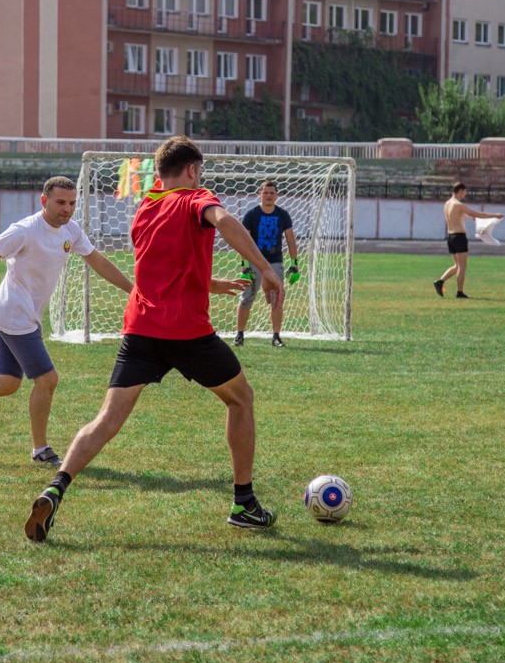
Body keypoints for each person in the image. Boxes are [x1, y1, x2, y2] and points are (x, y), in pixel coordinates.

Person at [23, 136, 285, 543]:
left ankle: (55, 488)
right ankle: (244, 504)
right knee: (241, 398)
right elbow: (225, 221)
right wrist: (266, 268)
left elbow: (165, 267)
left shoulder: (146, 207)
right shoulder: (196, 198)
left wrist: (210, 283)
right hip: (187, 332)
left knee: (106, 420)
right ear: (192, 171)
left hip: (141, 330)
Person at [0, 176, 134, 465]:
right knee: (47, 379)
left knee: (7, 383)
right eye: (60, 202)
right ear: (44, 201)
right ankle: (40, 450)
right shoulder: (25, 231)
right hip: (14, 313)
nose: (67, 209)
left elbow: (99, 262)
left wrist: (134, 291)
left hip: (23, 313)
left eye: (72, 203)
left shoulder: (71, 230)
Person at [233, 180, 300, 348]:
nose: (269, 196)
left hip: (275, 262)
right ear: (259, 194)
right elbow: (243, 241)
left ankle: (276, 337)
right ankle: (239, 335)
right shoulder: (251, 214)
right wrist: (245, 265)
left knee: (278, 298)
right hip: (254, 262)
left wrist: (294, 263)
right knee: (247, 297)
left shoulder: (283, 215)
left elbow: (291, 240)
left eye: (272, 193)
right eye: (266, 192)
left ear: (276, 195)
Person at [434, 182, 502, 299]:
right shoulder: (459, 205)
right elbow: (477, 213)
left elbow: (462, 216)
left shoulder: (447, 204)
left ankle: (440, 282)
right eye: (464, 192)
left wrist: (473, 218)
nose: (464, 195)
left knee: (457, 266)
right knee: (462, 266)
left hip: (450, 237)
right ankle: (460, 292)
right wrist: (495, 215)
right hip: (459, 237)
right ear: (460, 191)